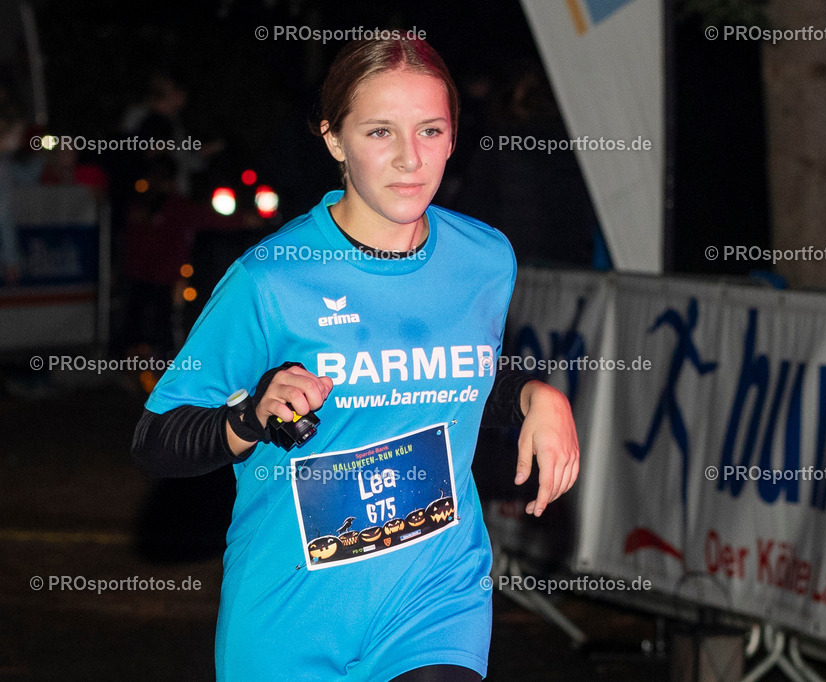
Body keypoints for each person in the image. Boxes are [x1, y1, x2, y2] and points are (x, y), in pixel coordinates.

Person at [131, 37, 579, 681]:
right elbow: (154, 441)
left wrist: (539, 395)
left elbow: (457, 365)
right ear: (334, 140)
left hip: (433, 599)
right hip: (291, 618)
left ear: (454, 137)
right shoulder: (272, 280)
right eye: (379, 132)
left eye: (431, 130)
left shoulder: (485, 258)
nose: (409, 158)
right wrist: (250, 419)